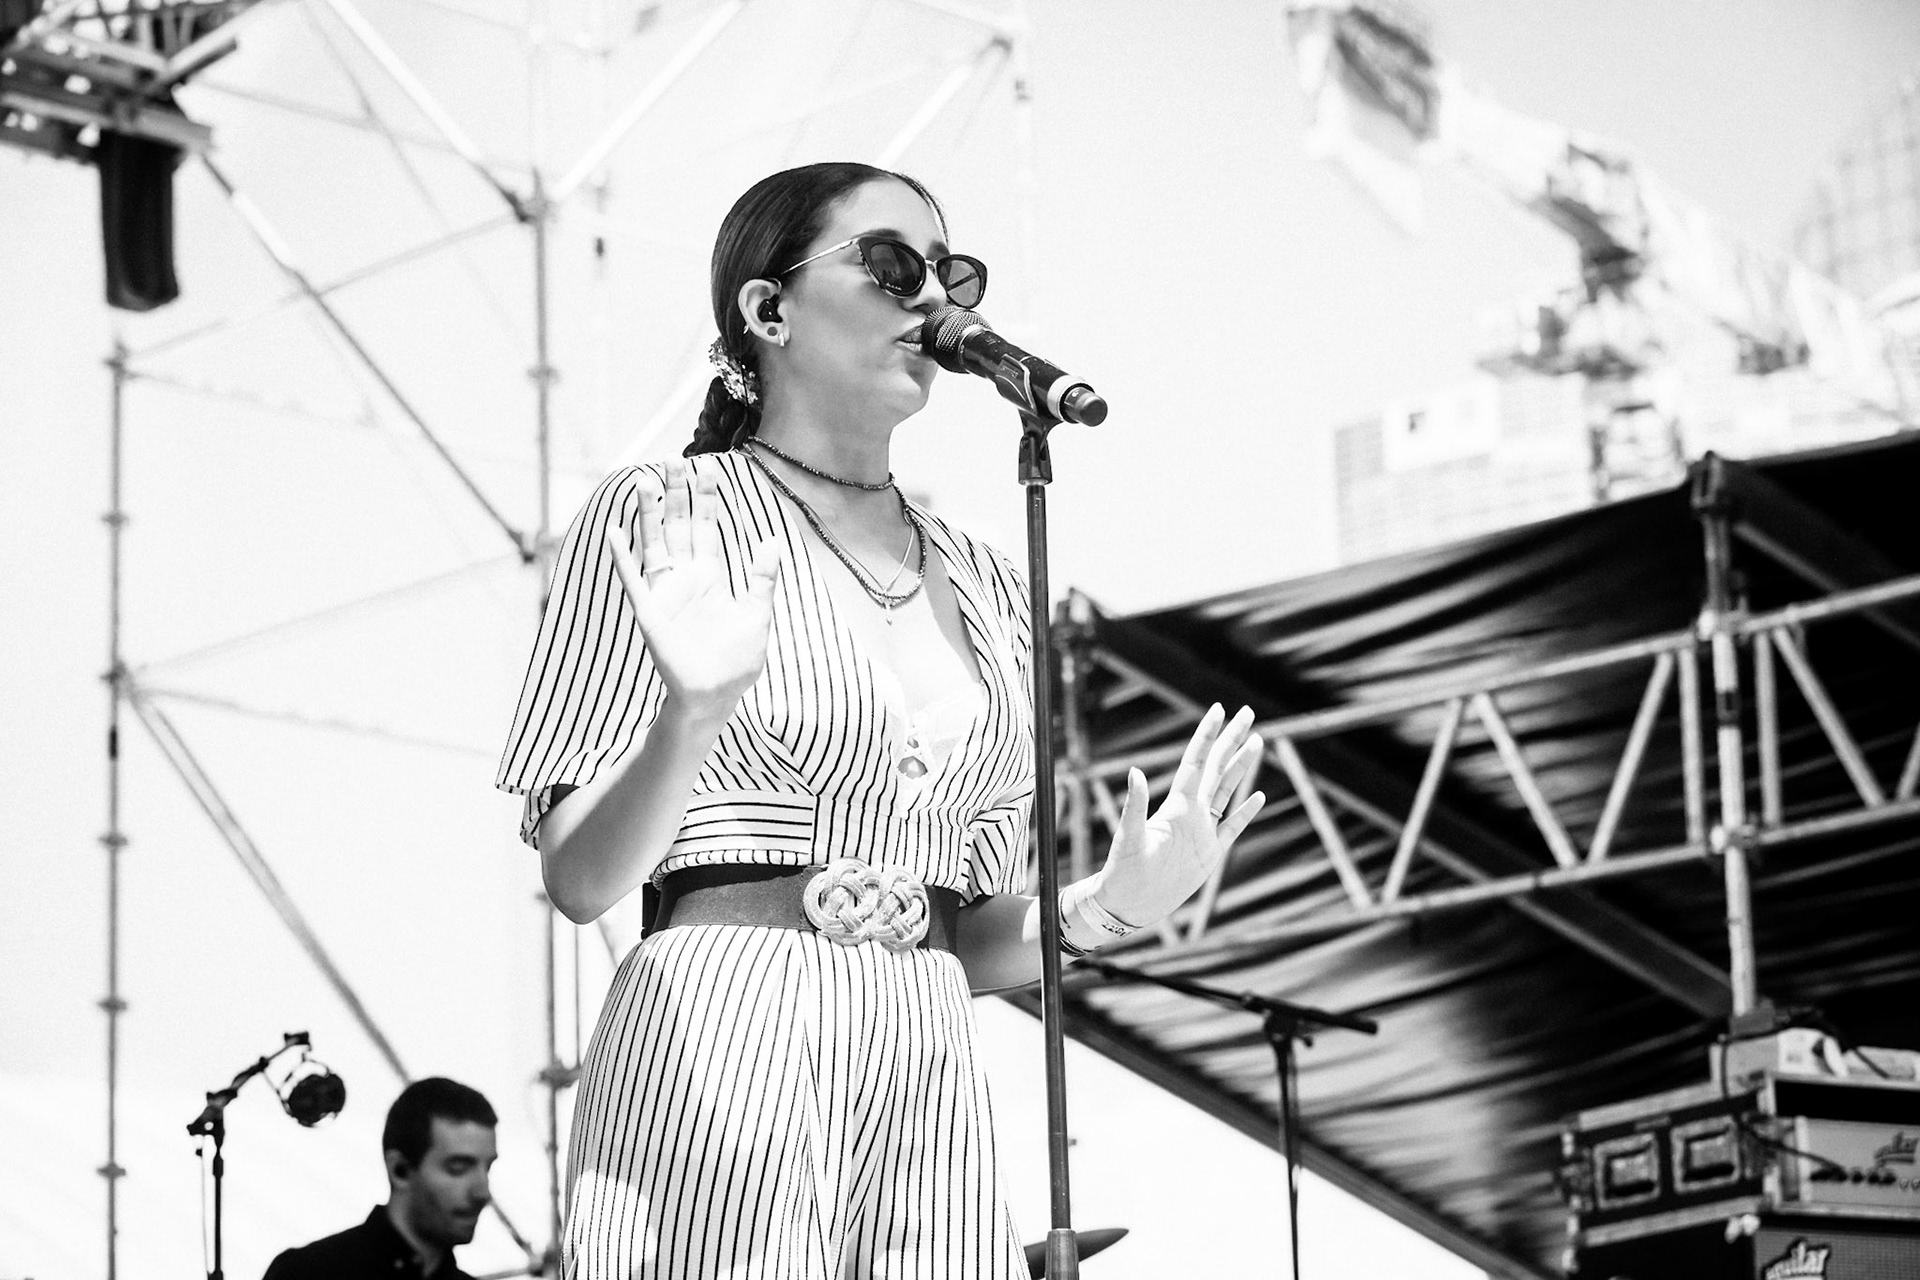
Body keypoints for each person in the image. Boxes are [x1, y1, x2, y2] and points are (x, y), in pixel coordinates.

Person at [495, 160, 1265, 1279]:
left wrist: (1108, 907)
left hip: (928, 1050)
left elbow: (968, 927)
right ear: (768, 311)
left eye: (953, 275)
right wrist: (690, 716)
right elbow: (577, 878)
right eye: (894, 266)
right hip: (719, 1033)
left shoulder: (989, 577)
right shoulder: (668, 513)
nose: (937, 300)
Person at [262, 1077, 498, 1280]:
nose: (482, 1192)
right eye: (458, 1168)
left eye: (487, 1168)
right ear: (399, 1170)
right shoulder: (309, 1272)